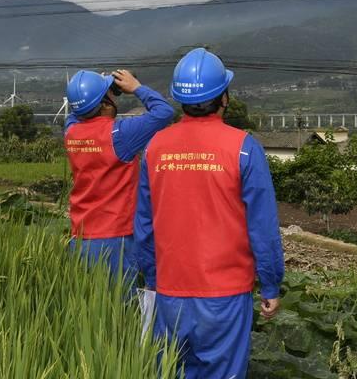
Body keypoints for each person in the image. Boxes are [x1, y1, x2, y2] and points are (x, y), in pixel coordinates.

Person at [135, 48, 284, 379]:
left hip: (170, 292)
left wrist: (153, 278)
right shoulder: (245, 148)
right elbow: (263, 228)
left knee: (170, 370)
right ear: (224, 98)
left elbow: (144, 224)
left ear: (179, 100)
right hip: (225, 297)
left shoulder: (155, 147)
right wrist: (271, 284)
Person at [64, 68, 174, 283]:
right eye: (111, 95)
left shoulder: (71, 132)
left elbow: (77, 112)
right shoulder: (120, 134)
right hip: (115, 238)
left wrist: (95, 95)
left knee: (86, 306)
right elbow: (164, 112)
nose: (114, 97)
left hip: (80, 235)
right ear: (105, 104)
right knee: (120, 307)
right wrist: (136, 88)